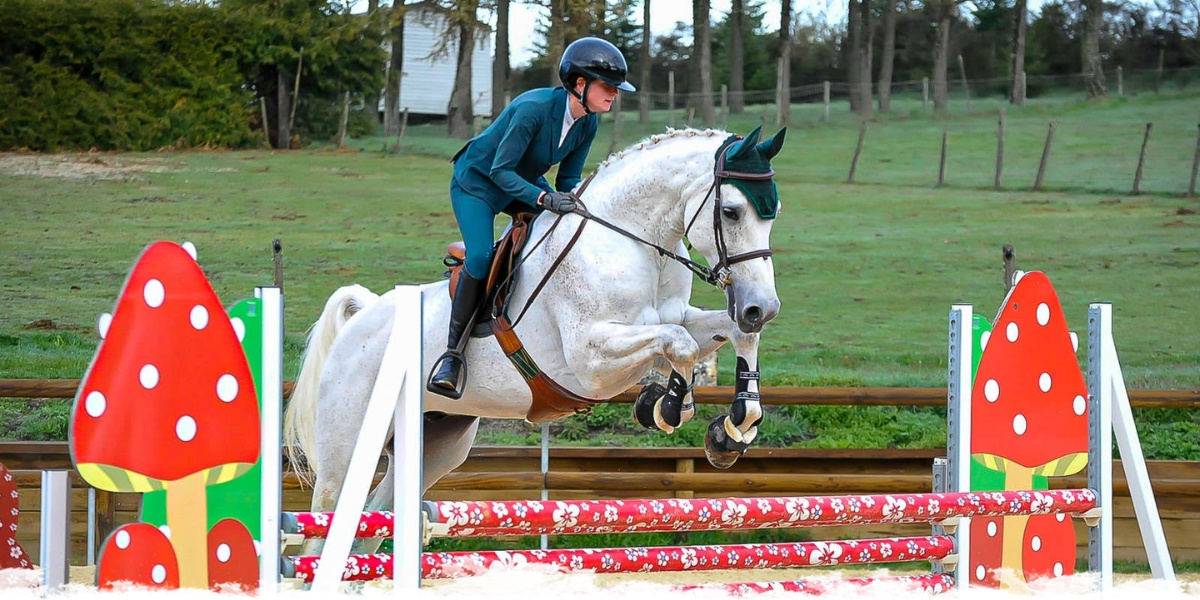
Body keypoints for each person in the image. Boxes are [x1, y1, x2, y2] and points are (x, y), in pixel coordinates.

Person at [427, 37, 637, 399]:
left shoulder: (588, 122)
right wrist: (544, 197)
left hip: (520, 182)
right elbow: (500, 169)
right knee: (478, 256)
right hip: (479, 182)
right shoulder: (533, 108)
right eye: (608, 87)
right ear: (580, 84)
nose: (614, 95)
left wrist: (586, 204)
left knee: (566, 227)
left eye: (617, 89)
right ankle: (452, 354)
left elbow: (569, 181)